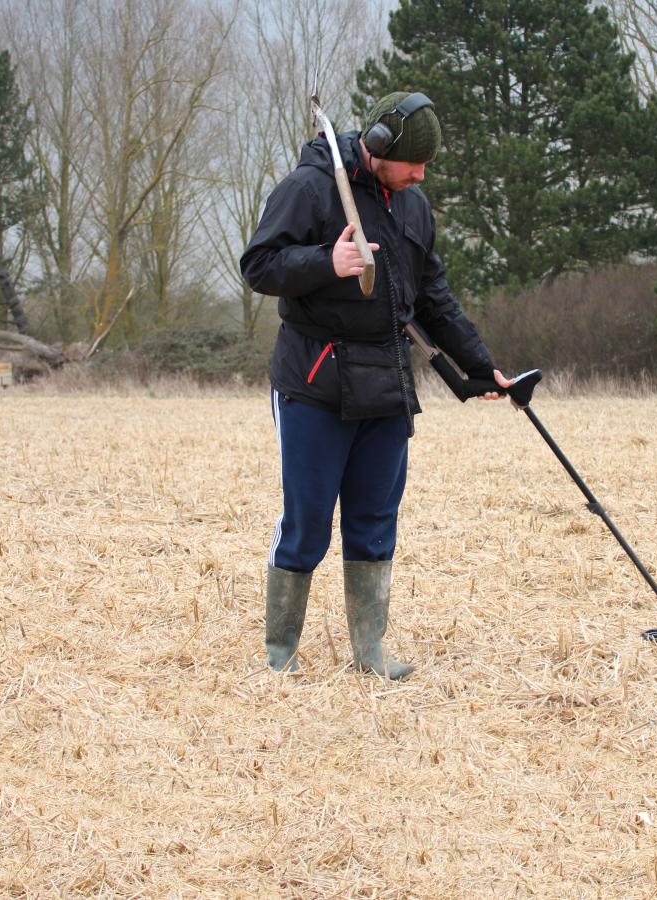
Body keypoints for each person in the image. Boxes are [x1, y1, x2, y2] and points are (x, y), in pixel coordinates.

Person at [240, 91, 510, 680]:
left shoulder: (414, 207)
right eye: (413, 161)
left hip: (387, 384)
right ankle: (278, 658)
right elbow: (259, 265)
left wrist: (481, 364)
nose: (421, 173)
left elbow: (433, 298)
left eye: (427, 164)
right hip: (315, 382)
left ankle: (370, 655)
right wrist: (323, 262)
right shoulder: (310, 188)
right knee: (307, 523)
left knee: (375, 520)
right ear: (379, 145)